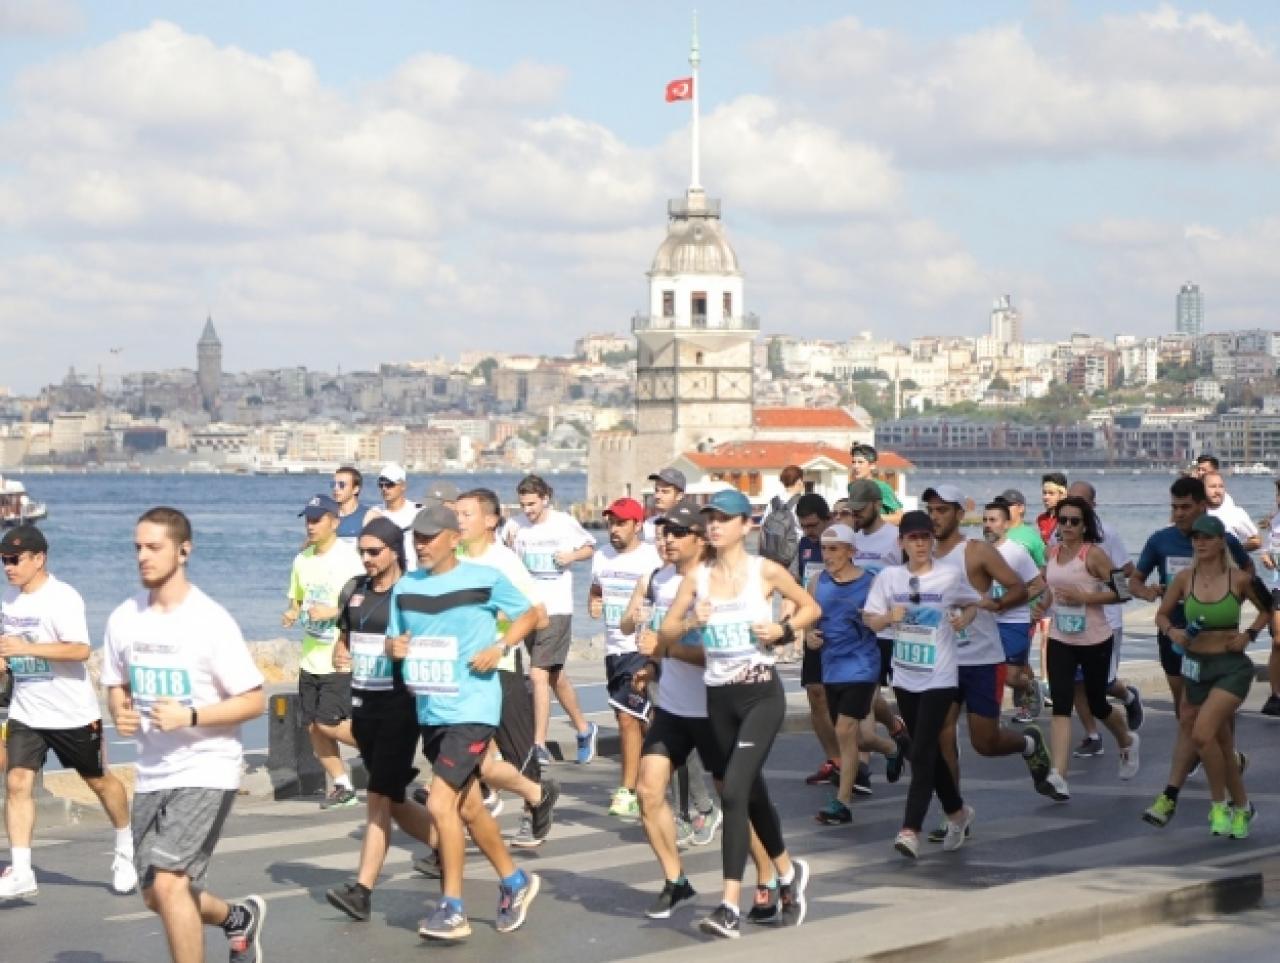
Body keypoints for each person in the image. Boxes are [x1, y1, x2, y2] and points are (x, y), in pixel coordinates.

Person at [102, 507, 266, 963]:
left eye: (154, 547)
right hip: (152, 771)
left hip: (206, 766)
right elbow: (115, 682)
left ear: (184, 550)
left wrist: (190, 717)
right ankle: (236, 917)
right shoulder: (123, 617)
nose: (143, 557)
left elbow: (253, 700)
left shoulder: (210, 620)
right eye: (138, 547)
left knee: (172, 881)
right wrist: (120, 710)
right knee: (156, 892)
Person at [659, 488, 816, 939]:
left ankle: (728, 905)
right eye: (710, 518)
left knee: (732, 796)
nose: (714, 526)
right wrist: (692, 622)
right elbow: (665, 630)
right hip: (718, 699)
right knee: (752, 794)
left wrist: (782, 629)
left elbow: (811, 607)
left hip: (760, 695)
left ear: (747, 526)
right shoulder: (698, 578)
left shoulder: (764, 571)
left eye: (724, 519)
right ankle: (787, 873)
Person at [389, 503, 543, 941]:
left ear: (453, 538)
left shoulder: (483, 578)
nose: (419, 545)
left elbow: (532, 614)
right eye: (415, 537)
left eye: (428, 537)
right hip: (432, 711)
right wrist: (394, 649)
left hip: (474, 709)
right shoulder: (406, 586)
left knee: (440, 805)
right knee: (469, 808)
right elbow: (396, 641)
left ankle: (452, 907)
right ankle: (515, 882)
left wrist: (500, 645)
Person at [0, 525, 137, 901]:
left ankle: (125, 845)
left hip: (72, 714)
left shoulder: (62, 598)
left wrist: (25, 649)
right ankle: (23, 871)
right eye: (3, 560)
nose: (7, 567)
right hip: (27, 711)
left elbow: (79, 650)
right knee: (16, 783)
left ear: (39, 558)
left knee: (99, 782)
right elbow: (10, 650)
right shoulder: (10, 599)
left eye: (14, 560)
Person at [323, 518, 437, 922]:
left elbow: (435, 642)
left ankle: (362, 890)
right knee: (394, 798)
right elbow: (346, 636)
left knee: (375, 799)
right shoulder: (355, 590)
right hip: (364, 705)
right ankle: (447, 843)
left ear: (393, 550)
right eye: (363, 552)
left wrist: (408, 652)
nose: (367, 559)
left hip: (400, 707)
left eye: (374, 552)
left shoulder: (412, 592)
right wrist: (341, 653)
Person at [923, 486, 1051, 836]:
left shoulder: (977, 552)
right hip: (942, 660)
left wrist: (993, 605)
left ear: (960, 514)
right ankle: (954, 812)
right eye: (931, 509)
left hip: (981, 658)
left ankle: (1028, 743)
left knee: (985, 743)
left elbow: (1019, 588)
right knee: (941, 734)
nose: (935, 516)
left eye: (943, 510)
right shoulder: (922, 553)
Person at [626, 500, 731, 918]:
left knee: (739, 800)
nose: (667, 539)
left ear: (700, 538)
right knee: (647, 791)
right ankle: (676, 880)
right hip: (672, 707)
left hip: (714, 706)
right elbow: (659, 642)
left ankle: (775, 874)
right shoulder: (662, 582)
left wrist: (665, 646)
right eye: (664, 531)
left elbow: (715, 655)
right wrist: (652, 664)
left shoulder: (717, 584)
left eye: (677, 532)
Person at [1129, 476, 1253, 822]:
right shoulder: (1160, 540)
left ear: (1202, 506)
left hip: (1220, 649)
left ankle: (1184, 794)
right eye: (1174, 507)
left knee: (1211, 727)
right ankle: (1207, 794)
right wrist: (1148, 592)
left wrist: (1243, 626)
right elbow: (1135, 581)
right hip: (1178, 644)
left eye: (1186, 507)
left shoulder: (1223, 540)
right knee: (1190, 722)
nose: (1179, 514)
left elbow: (1247, 574)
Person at [863, 511, 974, 859]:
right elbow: (870, 619)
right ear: (902, 543)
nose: (921, 544)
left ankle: (910, 828)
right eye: (914, 538)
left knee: (923, 748)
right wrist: (886, 618)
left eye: (926, 537)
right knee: (925, 749)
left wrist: (962, 618)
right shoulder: (888, 578)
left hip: (941, 676)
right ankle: (957, 811)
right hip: (906, 674)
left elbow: (973, 603)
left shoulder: (949, 576)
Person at [454, 488, 559, 850]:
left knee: (517, 752)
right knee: (467, 756)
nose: (459, 520)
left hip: (500, 668)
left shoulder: (505, 562)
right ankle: (454, 830)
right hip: (463, 672)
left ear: (490, 520)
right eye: (457, 513)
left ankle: (536, 800)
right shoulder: (453, 557)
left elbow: (539, 616)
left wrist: (493, 621)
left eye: (467, 514)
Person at [1150, 515, 1266, 838]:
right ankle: (1242, 807)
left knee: (1202, 734)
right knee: (1222, 742)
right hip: (1196, 666)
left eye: (1206, 538)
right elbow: (1161, 615)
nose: (1199, 543)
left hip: (1231, 667)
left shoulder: (1239, 579)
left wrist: (1250, 635)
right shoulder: (1184, 578)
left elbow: (1269, 607)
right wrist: (1173, 632)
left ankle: (1219, 806)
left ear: (1220, 543)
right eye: (1195, 538)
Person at [1036, 496, 1139, 800]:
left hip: (1094, 638)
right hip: (1060, 638)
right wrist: (1041, 606)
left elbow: (1122, 591)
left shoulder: (1092, 555)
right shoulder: (1051, 552)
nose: (1067, 526)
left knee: (1097, 703)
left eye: (1074, 521)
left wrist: (1087, 597)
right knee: (1062, 704)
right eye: (1062, 520)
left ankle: (1125, 740)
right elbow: (1052, 591)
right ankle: (1059, 776)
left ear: (1085, 525)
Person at [808, 523, 906, 825]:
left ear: (852, 551)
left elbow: (888, 617)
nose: (828, 555)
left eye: (834, 549)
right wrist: (808, 635)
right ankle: (892, 748)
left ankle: (842, 803)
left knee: (845, 731)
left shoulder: (871, 581)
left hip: (863, 666)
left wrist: (888, 617)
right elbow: (807, 617)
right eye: (824, 548)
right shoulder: (815, 582)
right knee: (859, 738)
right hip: (832, 667)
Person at [510, 474, 599, 766]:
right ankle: (585, 729)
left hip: (557, 609)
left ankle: (538, 745)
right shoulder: (515, 526)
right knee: (554, 676)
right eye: (523, 505)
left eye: (532, 504)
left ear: (545, 498)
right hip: (528, 610)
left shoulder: (562, 522)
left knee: (537, 674)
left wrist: (572, 556)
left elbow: (590, 547)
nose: (528, 511)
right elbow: (504, 556)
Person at [282, 494, 364, 809]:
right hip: (310, 657)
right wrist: (291, 613)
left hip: (340, 656)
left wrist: (333, 612)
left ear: (335, 521)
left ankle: (382, 752)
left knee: (329, 722)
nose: (311, 525)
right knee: (313, 725)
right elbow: (296, 601)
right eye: (308, 519)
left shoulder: (349, 559)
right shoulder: (302, 560)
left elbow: (363, 603)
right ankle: (343, 785)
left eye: (317, 519)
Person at [589, 497, 663, 818]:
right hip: (614, 650)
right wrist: (593, 603)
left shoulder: (651, 557)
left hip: (641, 648)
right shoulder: (600, 557)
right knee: (638, 719)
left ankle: (629, 790)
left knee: (627, 718)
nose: (614, 529)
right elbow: (595, 591)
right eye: (611, 523)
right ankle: (652, 778)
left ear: (637, 525)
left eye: (621, 523)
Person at [1063, 482, 1143, 755]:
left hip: (1105, 621)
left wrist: (1093, 587)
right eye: (1069, 504)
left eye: (1080, 504)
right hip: (1068, 624)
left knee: (1102, 686)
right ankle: (1092, 735)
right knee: (1075, 683)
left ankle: (1128, 696)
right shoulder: (1058, 535)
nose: (1070, 519)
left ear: (1092, 507)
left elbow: (1126, 575)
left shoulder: (1106, 535)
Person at [793, 494, 844, 789]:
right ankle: (834, 760)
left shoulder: (843, 540)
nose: (809, 532)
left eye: (813, 525)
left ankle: (867, 752)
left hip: (842, 629)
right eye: (804, 527)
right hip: (814, 627)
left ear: (827, 519)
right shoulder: (804, 545)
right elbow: (801, 585)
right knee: (815, 693)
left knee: (844, 698)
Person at [981, 501, 1045, 723]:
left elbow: (1038, 584)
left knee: (1010, 676)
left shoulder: (1016, 553)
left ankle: (1029, 685)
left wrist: (1011, 600)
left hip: (1014, 621)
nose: (988, 525)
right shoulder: (978, 552)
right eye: (985, 520)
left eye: (993, 520)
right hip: (987, 621)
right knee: (987, 671)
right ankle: (989, 714)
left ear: (1006, 524)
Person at [368, 463, 421, 571]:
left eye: (389, 484)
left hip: (413, 572)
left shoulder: (418, 511)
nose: (384, 489)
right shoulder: (374, 513)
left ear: (403, 486)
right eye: (381, 485)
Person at [1260, 479, 1280, 716]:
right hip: (1278, 586)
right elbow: (1268, 549)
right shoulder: (1275, 521)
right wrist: (1266, 558)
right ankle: (1276, 695)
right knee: (1278, 641)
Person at [1204, 471, 1262, 551]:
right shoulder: (1195, 512)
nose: (1217, 491)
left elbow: (1256, 540)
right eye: (1212, 486)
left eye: (1221, 486)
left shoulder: (1235, 513)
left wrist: (1233, 551)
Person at [849, 444, 904, 526]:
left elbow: (900, 517)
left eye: (860, 462)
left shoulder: (881, 488)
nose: (856, 466)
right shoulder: (851, 486)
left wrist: (872, 517)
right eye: (854, 462)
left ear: (872, 466)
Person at [993, 489, 1046, 567]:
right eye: (1001, 506)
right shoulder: (995, 533)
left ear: (1021, 508)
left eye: (1007, 505)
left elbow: (1042, 567)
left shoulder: (1031, 536)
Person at [643, 467, 687, 544]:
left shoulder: (688, 524)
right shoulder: (648, 524)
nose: (657, 496)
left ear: (679, 496)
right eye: (656, 490)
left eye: (665, 492)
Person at [331, 466, 372, 546]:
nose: (336, 488)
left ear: (355, 489)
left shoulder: (369, 517)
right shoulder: (325, 517)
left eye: (341, 485)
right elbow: (308, 553)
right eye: (333, 484)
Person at [1037, 472, 1068, 543]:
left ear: (1062, 494)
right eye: (1044, 493)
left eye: (1051, 493)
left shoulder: (1069, 519)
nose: (1046, 497)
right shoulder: (1041, 519)